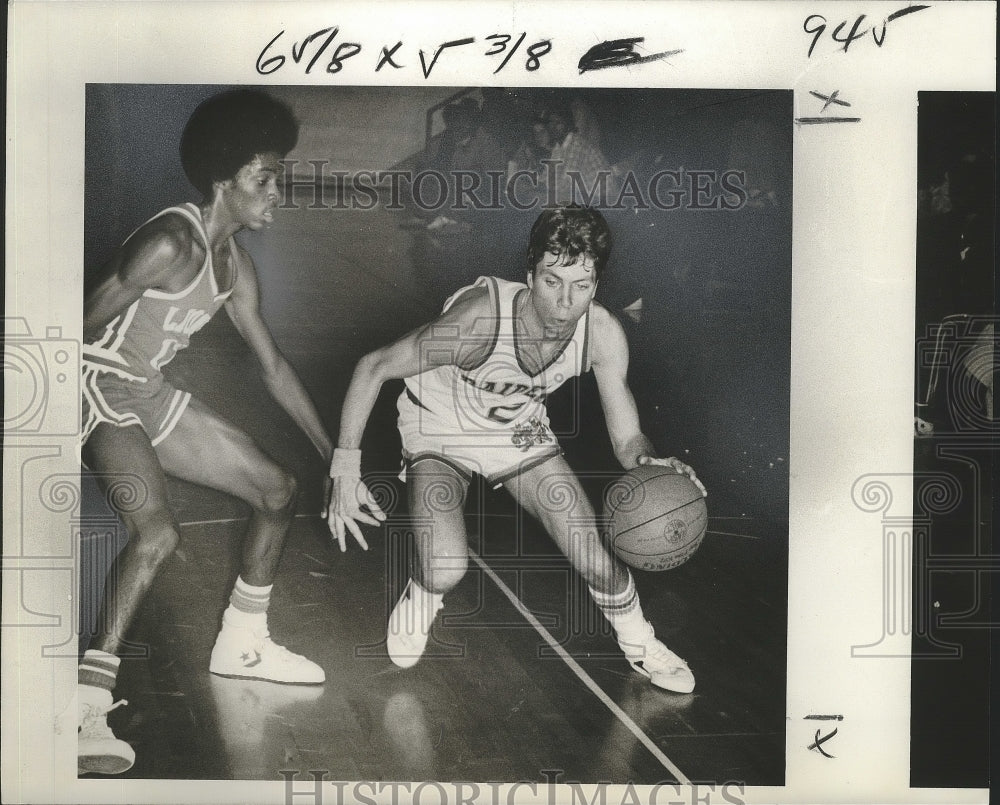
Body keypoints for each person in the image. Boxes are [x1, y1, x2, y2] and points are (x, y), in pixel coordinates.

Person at [327, 206, 706, 693]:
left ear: (597, 284)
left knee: (591, 553)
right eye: (552, 282)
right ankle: (426, 589)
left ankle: (641, 645)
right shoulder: (478, 319)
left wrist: (650, 463)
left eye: (581, 285)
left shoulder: (604, 335)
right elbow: (372, 366)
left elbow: (627, 439)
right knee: (446, 566)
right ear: (529, 274)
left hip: (517, 430)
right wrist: (345, 471)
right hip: (441, 423)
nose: (565, 302)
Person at [76, 89, 332, 775]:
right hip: (94, 389)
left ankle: (243, 641)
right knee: (158, 533)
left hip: (148, 393)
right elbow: (69, 324)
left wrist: (336, 455)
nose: (277, 191)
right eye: (265, 176)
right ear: (225, 179)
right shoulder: (170, 243)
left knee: (279, 490)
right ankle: (85, 703)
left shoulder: (233, 266)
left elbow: (273, 366)